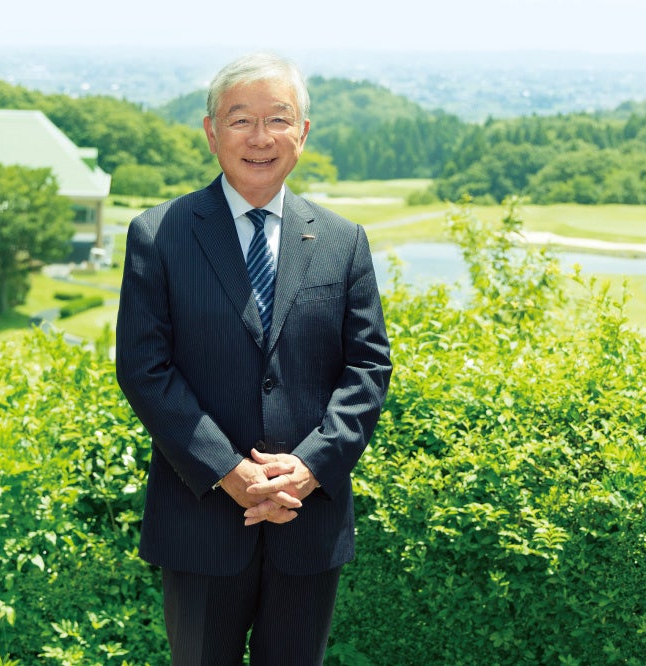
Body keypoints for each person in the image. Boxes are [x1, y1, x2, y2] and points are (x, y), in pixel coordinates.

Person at [114, 51, 392, 666]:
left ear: (304, 132)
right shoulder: (159, 234)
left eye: (278, 119)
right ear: (211, 131)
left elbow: (368, 368)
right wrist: (229, 470)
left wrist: (311, 466)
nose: (260, 138)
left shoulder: (344, 241)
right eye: (241, 120)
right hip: (200, 520)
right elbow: (144, 369)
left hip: (308, 517)